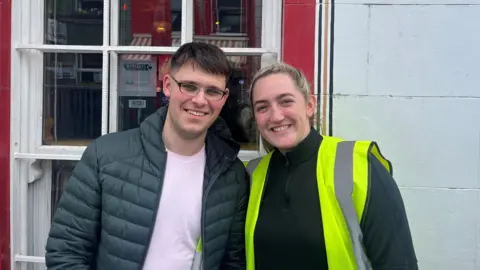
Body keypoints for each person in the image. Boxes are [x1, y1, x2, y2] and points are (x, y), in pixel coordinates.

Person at [45, 42, 249, 270]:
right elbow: (66, 251)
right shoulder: (105, 155)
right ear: (168, 86)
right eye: (189, 86)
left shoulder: (232, 175)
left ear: (224, 97)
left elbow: (233, 262)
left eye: (212, 91)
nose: (200, 100)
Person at [244, 62, 417, 270]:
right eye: (262, 107)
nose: (276, 116)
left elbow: (397, 263)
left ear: (310, 105)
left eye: (286, 102)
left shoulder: (359, 163)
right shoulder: (252, 174)